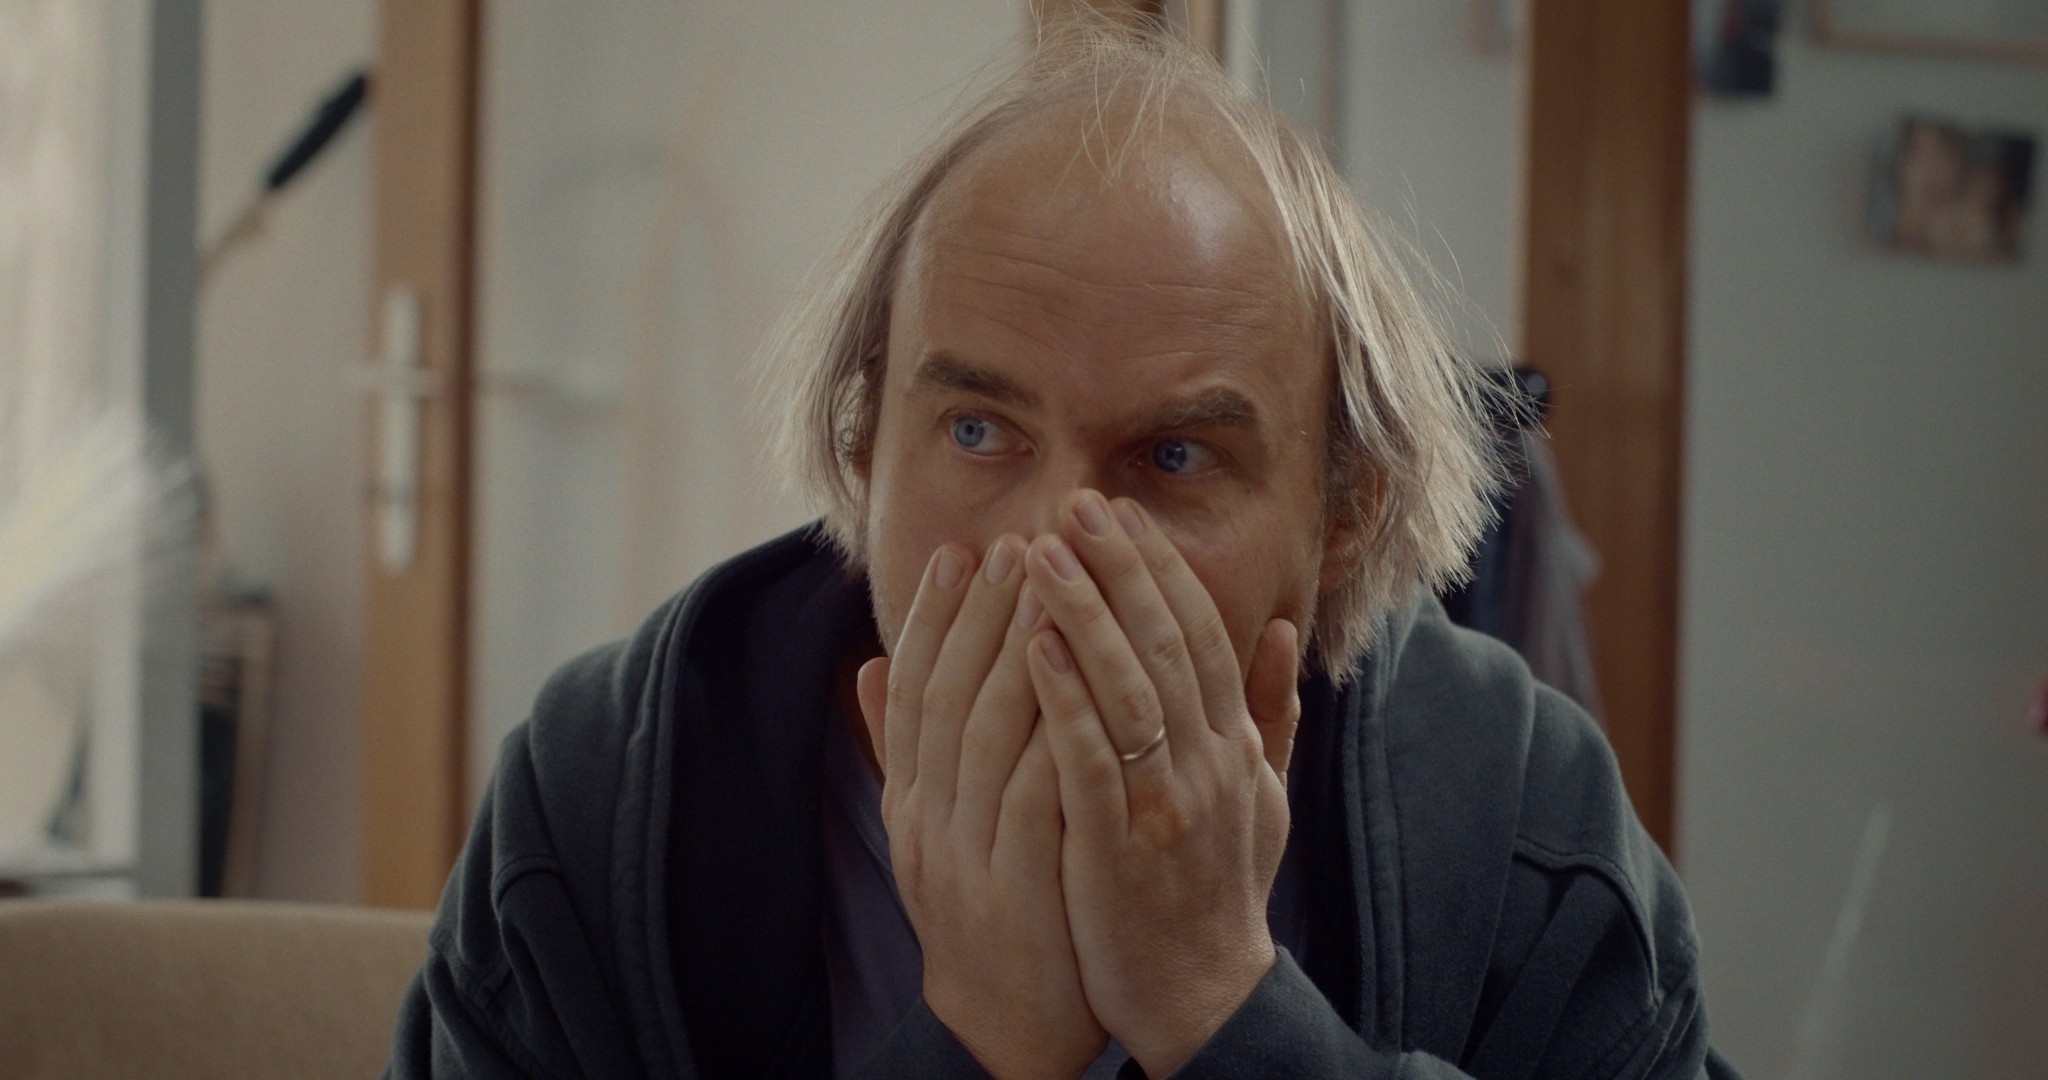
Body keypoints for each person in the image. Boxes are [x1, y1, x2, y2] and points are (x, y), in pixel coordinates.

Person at [386, 21, 1741, 1080]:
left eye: (1174, 457)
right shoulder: (610, 794)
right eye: (978, 432)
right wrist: (980, 1042)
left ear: (1341, 518)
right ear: (864, 447)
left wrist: (1220, 1004)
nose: (1052, 545)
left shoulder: (1517, 820)